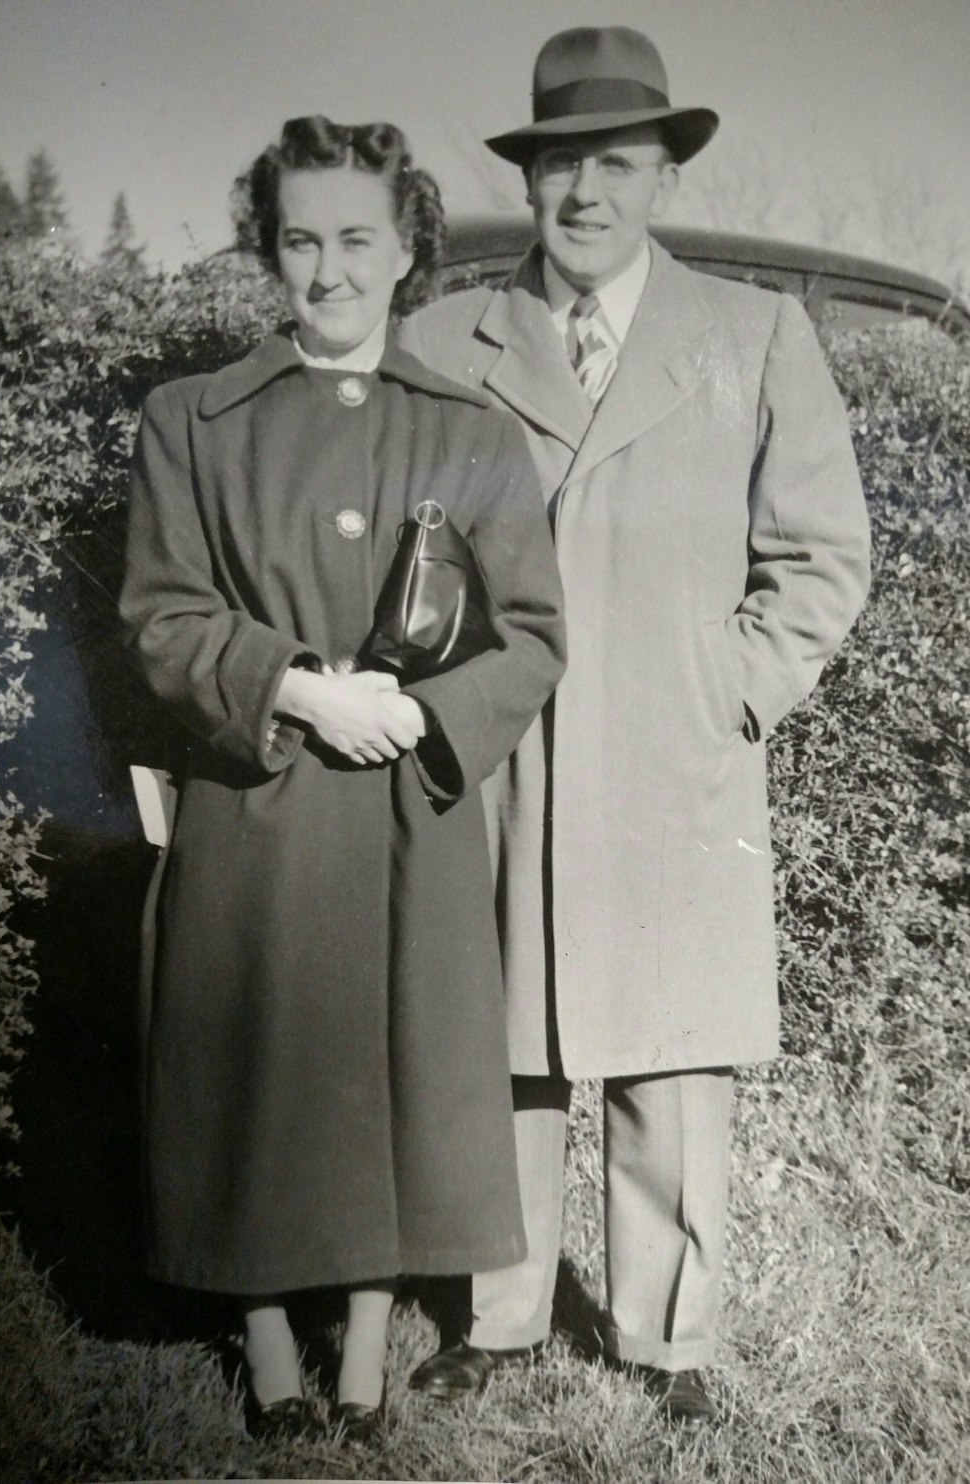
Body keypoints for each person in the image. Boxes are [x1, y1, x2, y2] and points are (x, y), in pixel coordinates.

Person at [401, 27, 870, 1425]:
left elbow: (821, 558)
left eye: (617, 163)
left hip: (677, 760)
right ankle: (495, 1313)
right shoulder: (445, 339)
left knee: (671, 1049)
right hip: (501, 756)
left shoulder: (755, 334)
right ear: (530, 182)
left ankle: (669, 1341)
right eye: (561, 167)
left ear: (663, 173)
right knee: (508, 1041)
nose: (586, 195)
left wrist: (727, 690)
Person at [119, 115, 565, 1443]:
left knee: (383, 1056)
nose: (328, 273)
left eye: (357, 240)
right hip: (255, 803)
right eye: (301, 240)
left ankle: (365, 1355)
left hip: (407, 810)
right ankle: (266, 1352)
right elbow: (160, 616)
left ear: (408, 247)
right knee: (249, 1058)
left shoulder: (473, 434)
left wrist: (414, 713)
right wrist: (296, 689)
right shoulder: (189, 422)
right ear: (269, 247)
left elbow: (535, 635)